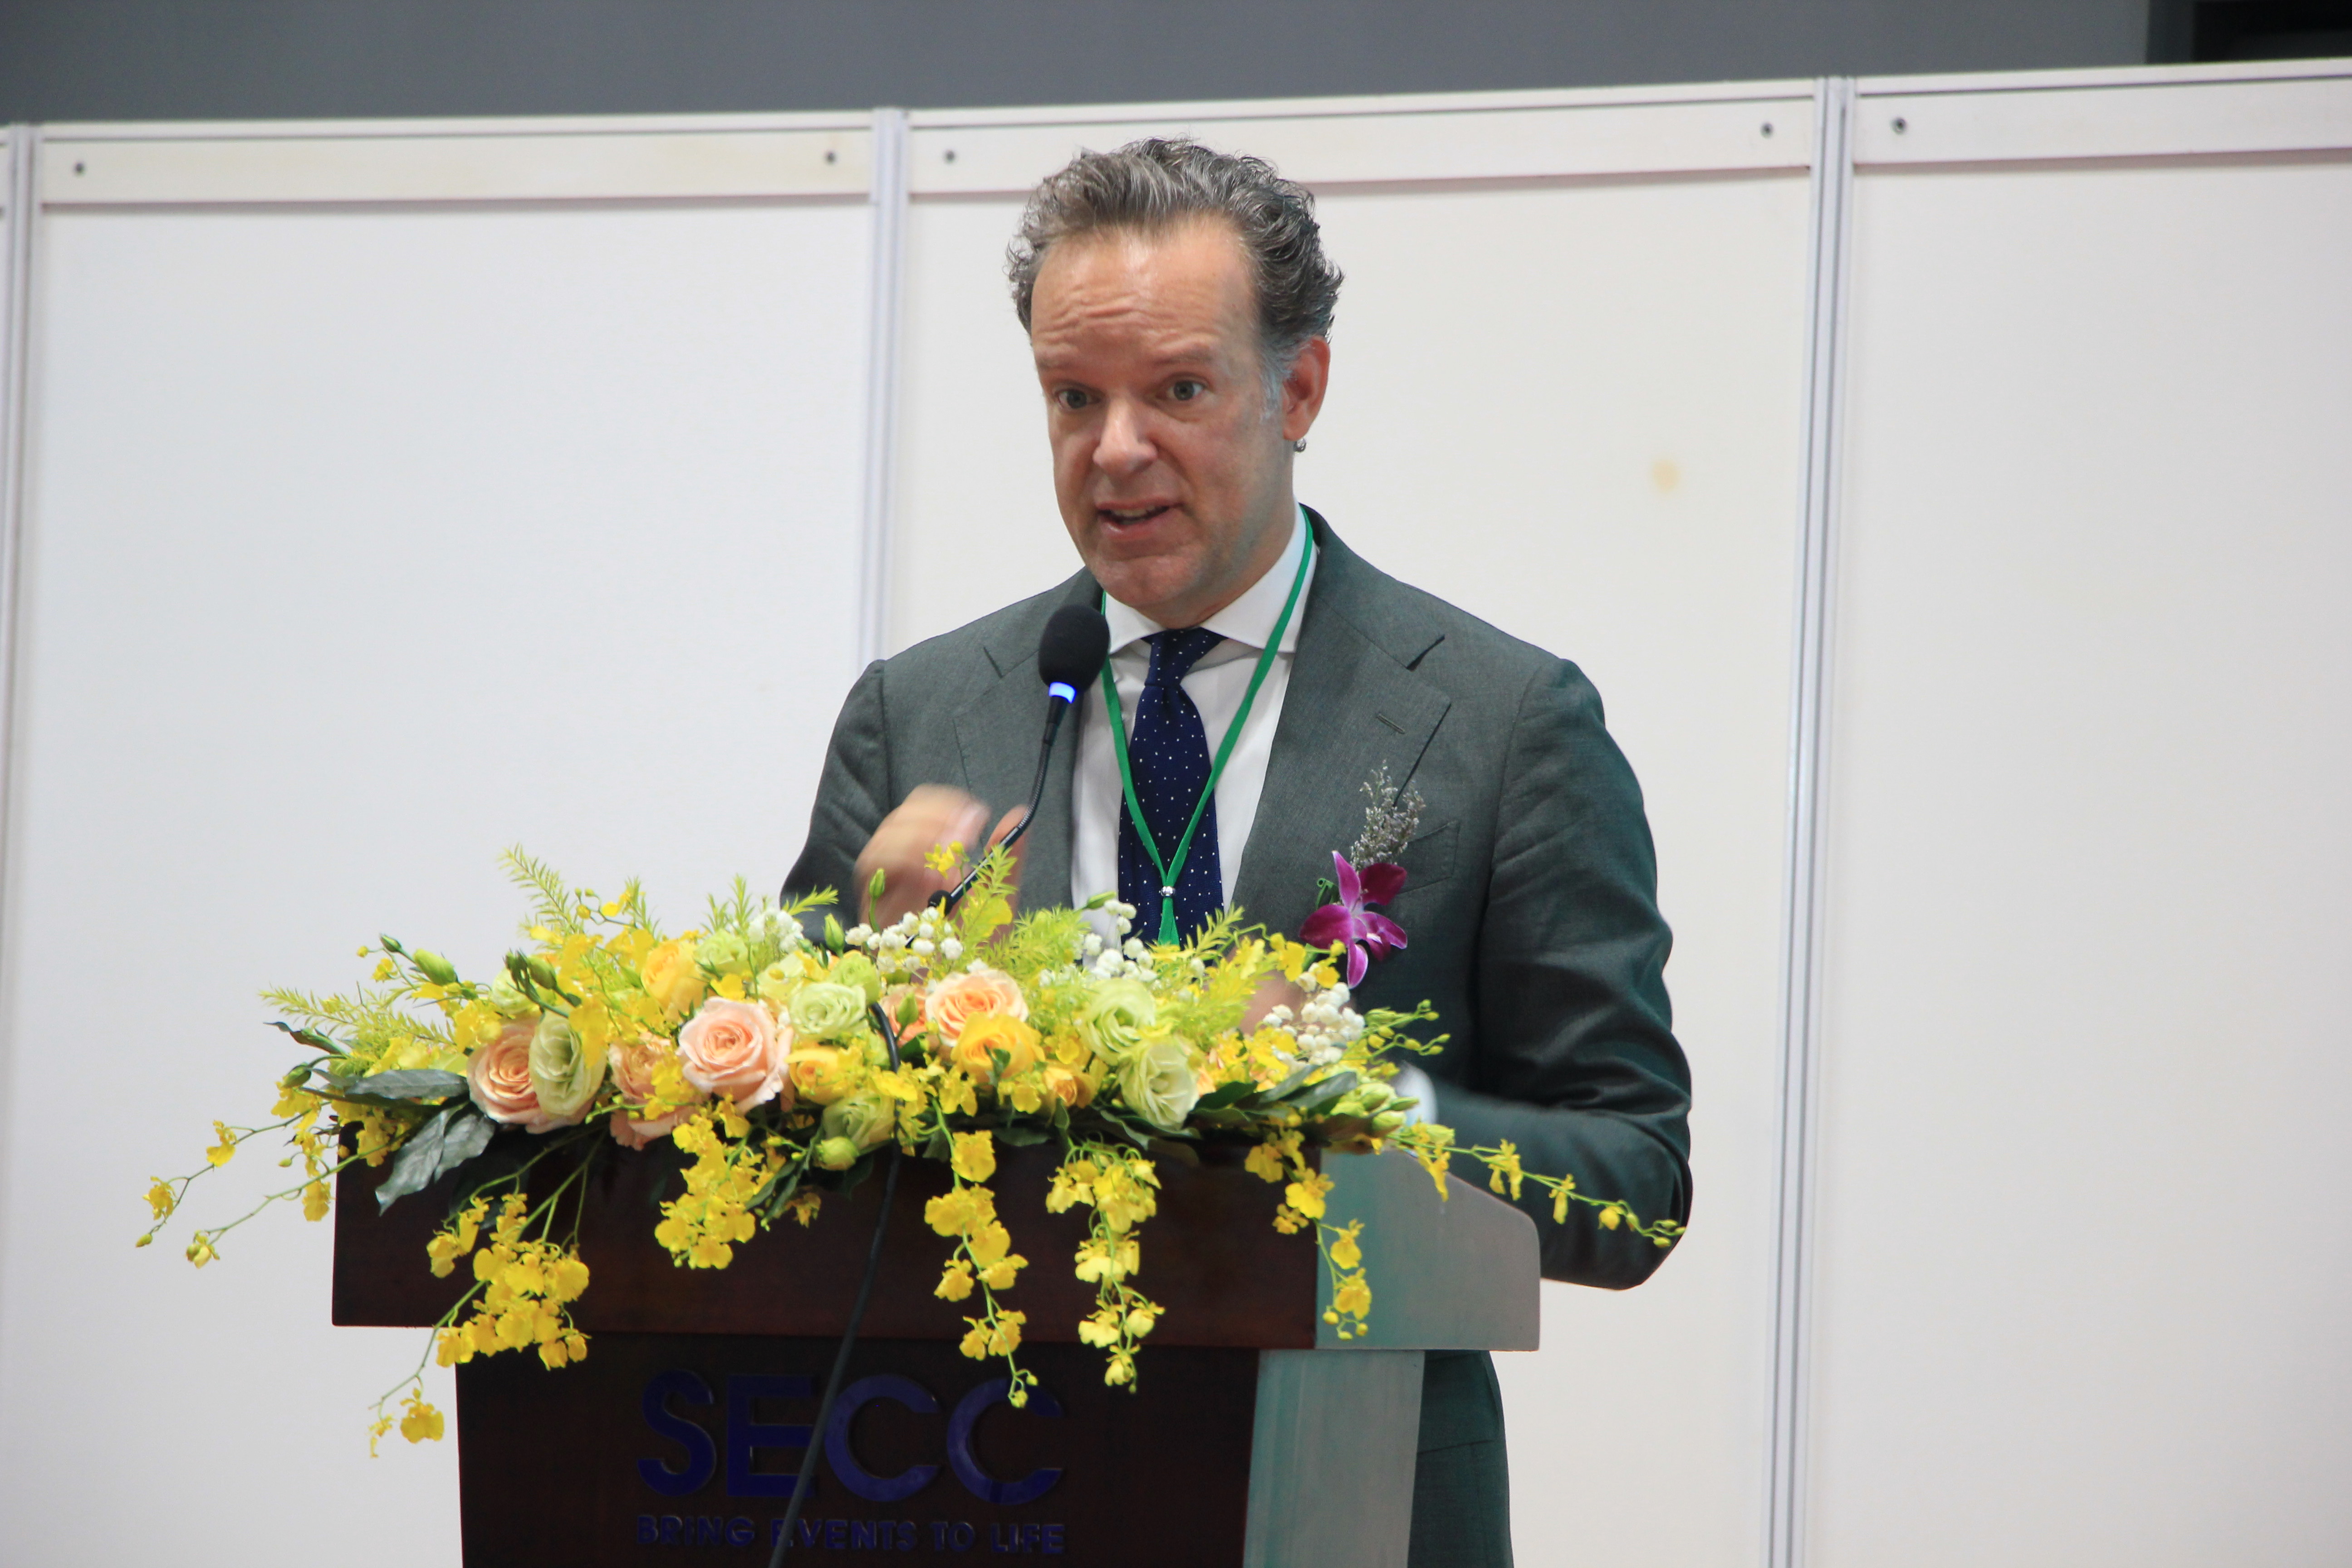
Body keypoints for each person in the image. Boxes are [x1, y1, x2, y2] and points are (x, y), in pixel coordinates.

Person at [785, 138, 1691, 1568]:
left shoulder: (1502, 726)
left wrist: (1359, 1105)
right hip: (968, 1485)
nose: (1116, 447)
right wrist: (887, 1001)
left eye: (1180, 391)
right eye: (1073, 397)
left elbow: (1634, 1179)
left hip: (1353, 1497)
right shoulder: (925, 716)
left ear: (1301, 388)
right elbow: (773, 1160)